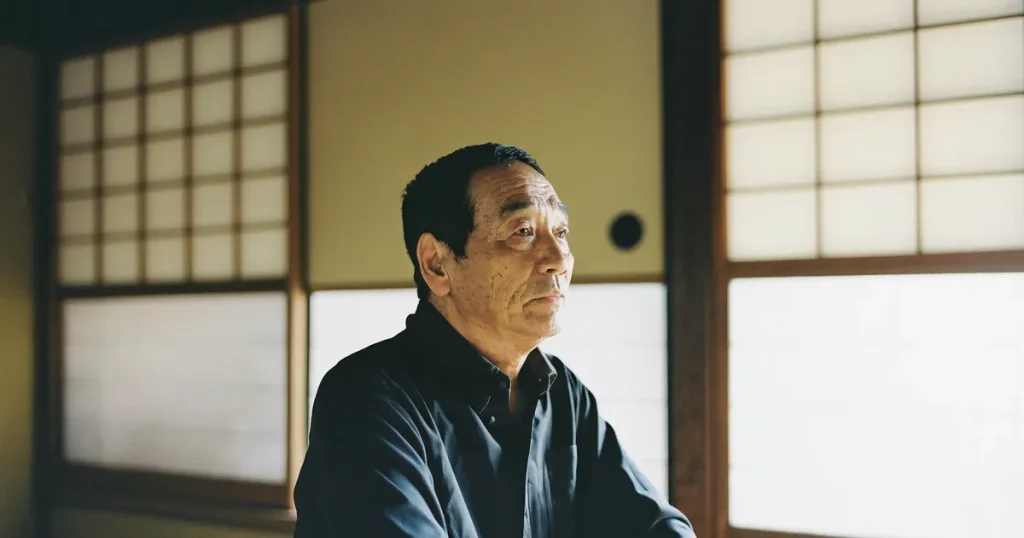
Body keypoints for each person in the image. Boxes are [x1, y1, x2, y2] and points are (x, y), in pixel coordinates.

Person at [293, 143, 695, 537]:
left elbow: (653, 522)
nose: (558, 258)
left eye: (560, 231)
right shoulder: (367, 399)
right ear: (437, 263)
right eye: (522, 232)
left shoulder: (563, 395)